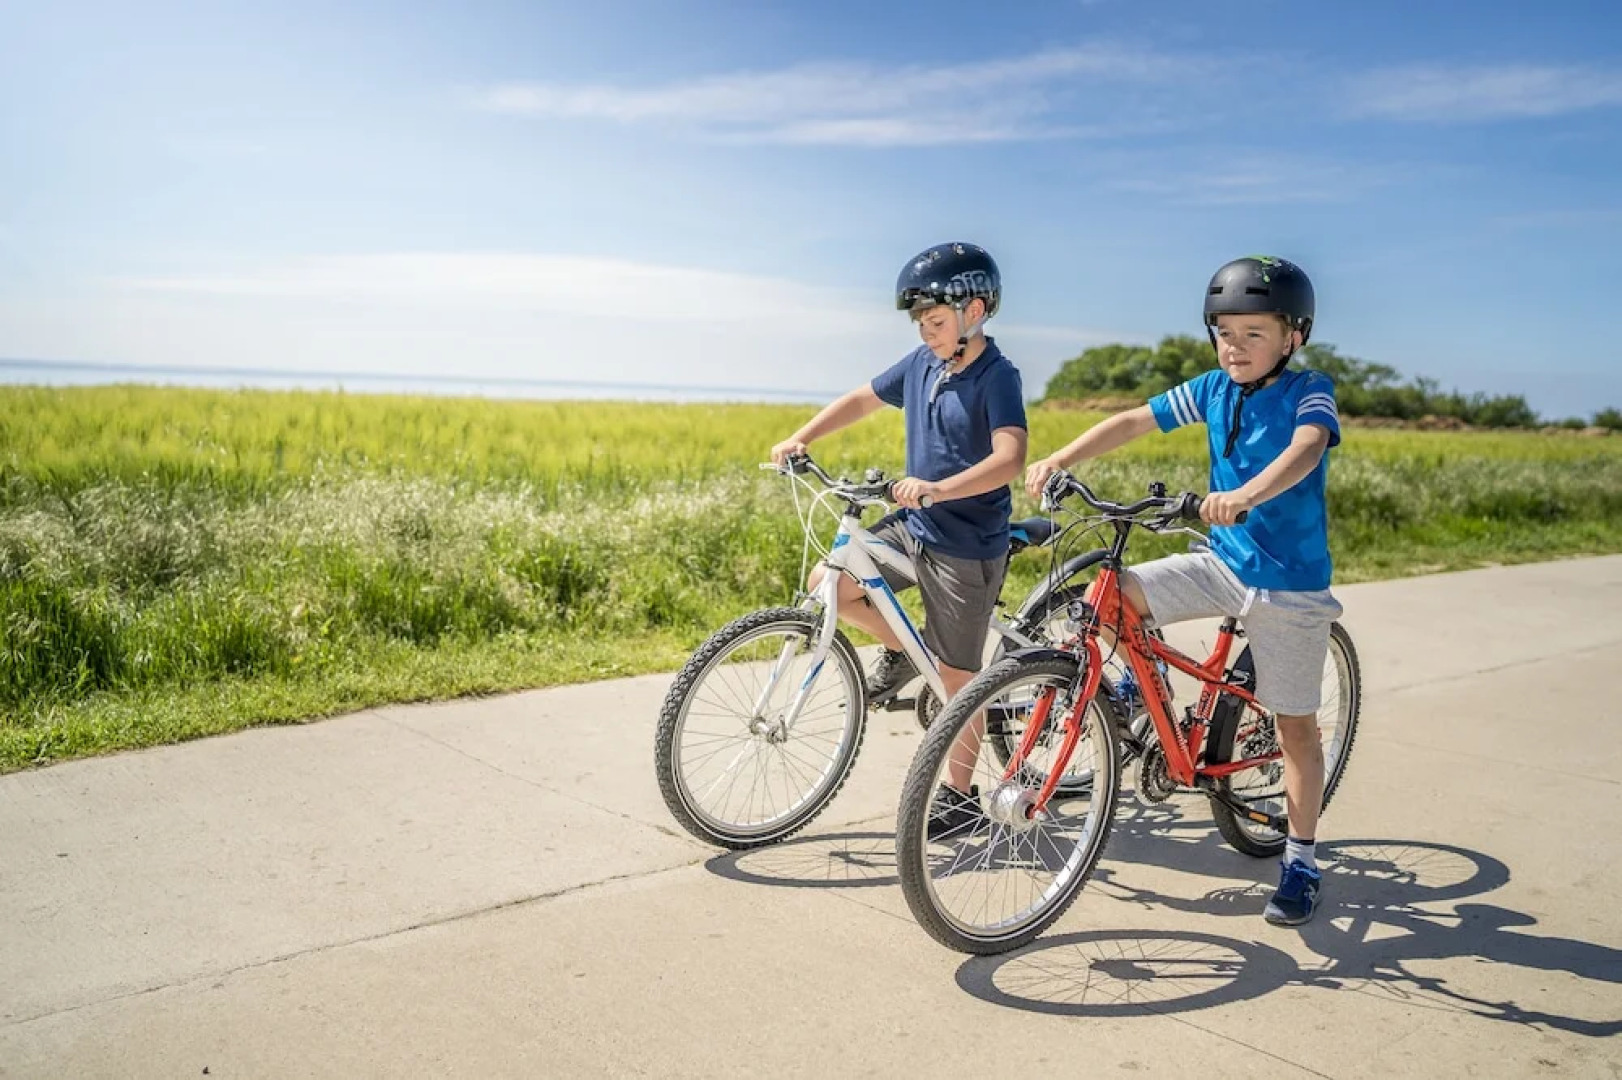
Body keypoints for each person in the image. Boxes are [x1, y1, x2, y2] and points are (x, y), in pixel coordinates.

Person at [1026, 256, 1342, 926]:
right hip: (1223, 561)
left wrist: (1246, 495)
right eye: (1224, 333)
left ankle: (1302, 861)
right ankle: (1141, 693)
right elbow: (1134, 420)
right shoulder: (1212, 388)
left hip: (1289, 584)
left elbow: (1309, 447)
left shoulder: (1309, 389)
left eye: (1253, 333)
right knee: (1108, 598)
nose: (1235, 346)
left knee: (1294, 727)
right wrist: (1061, 458)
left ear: (1293, 337)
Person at [770, 243, 1028, 817]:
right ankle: (907, 650)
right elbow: (862, 400)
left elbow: (1010, 459)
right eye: (920, 323)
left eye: (935, 322)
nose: (925, 333)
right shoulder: (922, 365)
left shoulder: (997, 376)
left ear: (975, 311)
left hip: (966, 542)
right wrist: (803, 437)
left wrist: (940, 487)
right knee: (829, 584)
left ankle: (959, 797)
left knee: (958, 679)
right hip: (916, 525)